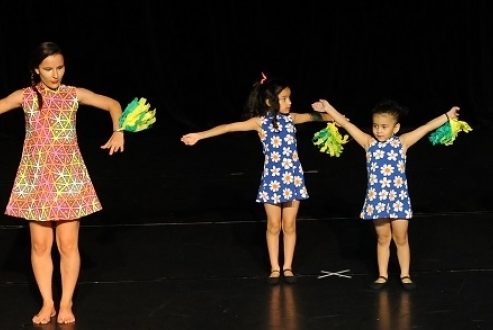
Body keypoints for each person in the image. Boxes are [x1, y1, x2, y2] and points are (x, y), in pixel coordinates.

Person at [0, 41, 125, 324]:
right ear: (36, 69)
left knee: (68, 245)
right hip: (36, 177)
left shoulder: (72, 94)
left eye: (60, 67)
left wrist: (119, 130)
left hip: (68, 176)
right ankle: (48, 303)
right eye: (48, 69)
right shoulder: (26, 96)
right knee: (40, 246)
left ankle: (66, 303)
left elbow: (112, 104)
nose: (56, 74)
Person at [181, 74, 334, 284]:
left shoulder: (293, 118)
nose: (289, 102)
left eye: (290, 98)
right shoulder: (259, 123)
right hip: (272, 180)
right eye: (284, 98)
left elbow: (315, 117)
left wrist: (337, 117)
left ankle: (287, 267)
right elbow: (228, 127)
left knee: (289, 225)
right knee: (273, 225)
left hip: (293, 180)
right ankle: (274, 268)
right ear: (270, 101)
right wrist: (199, 135)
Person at [312, 99, 461, 291]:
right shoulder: (368, 143)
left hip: (398, 201)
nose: (379, 130)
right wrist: (328, 108)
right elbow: (347, 124)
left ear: (396, 127)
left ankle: (405, 274)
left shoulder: (402, 142)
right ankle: (382, 275)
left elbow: (425, 128)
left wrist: (447, 115)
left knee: (401, 238)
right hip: (377, 201)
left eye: (384, 126)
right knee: (383, 238)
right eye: (375, 126)